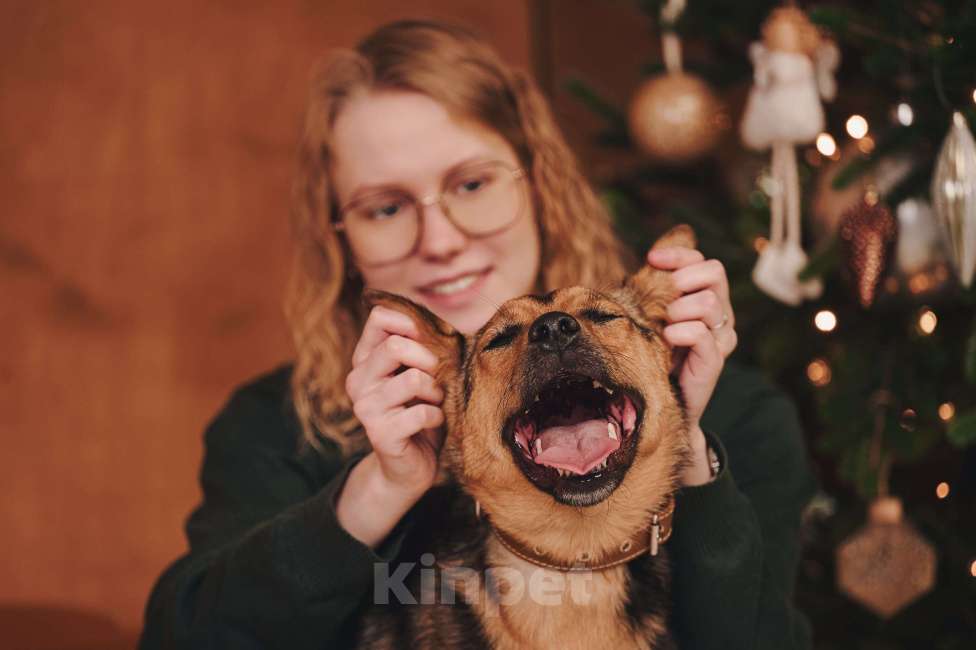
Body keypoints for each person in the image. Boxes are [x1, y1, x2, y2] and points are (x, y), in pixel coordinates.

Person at [139, 20, 817, 650]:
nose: (440, 240)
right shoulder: (274, 429)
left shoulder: (740, 416)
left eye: (471, 183)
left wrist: (687, 445)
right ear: (338, 239)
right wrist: (376, 490)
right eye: (385, 206)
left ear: (539, 182)